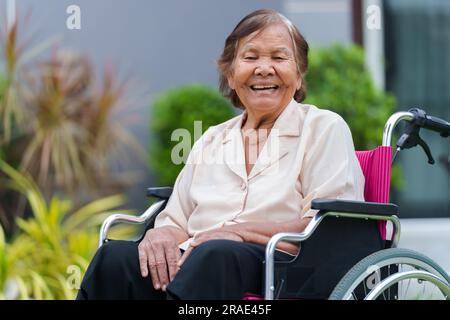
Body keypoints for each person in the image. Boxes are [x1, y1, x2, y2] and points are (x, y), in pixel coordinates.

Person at [76, 8, 365, 300]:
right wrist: (160, 235)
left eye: (279, 57)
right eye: (250, 57)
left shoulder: (324, 128)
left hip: (283, 266)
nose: (264, 69)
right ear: (230, 74)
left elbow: (326, 225)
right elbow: (175, 221)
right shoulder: (212, 139)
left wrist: (239, 232)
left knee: (214, 255)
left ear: (299, 75)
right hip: (200, 259)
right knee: (116, 260)